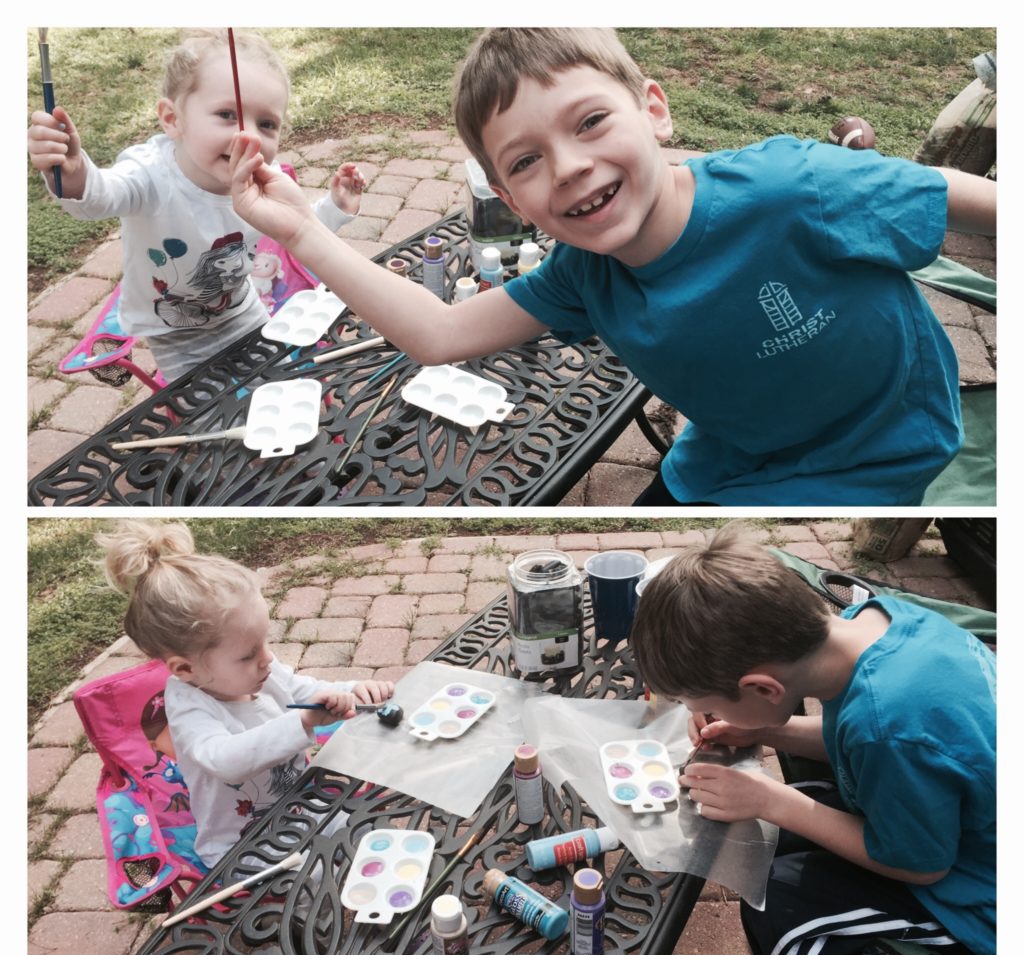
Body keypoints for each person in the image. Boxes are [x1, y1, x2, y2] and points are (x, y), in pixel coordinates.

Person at [227, 27, 996, 507]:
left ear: (653, 109)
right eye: (526, 161)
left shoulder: (795, 187)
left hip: (875, 449)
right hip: (739, 452)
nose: (567, 166)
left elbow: (966, 199)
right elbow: (436, 333)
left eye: (591, 120)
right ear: (508, 199)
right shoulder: (582, 276)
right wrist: (300, 230)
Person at [630, 524, 996, 955]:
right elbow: (856, 740)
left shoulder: (887, 728)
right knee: (765, 845)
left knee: (778, 907)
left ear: (763, 688)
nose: (709, 718)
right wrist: (764, 729)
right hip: (949, 821)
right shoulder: (873, 623)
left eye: (713, 706)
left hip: (978, 893)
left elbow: (921, 866)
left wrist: (772, 800)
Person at [28, 28, 366, 383]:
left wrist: (335, 207)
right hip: (173, 331)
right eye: (226, 114)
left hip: (242, 310)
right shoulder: (148, 173)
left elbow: (297, 231)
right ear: (173, 120)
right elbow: (97, 199)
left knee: (277, 382)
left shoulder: (262, 177)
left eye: (266, 124)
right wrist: (73, 170)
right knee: (204, 413)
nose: (248, 136)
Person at [98, 520, 395, 869]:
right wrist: (302, 721)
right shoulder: (190, 711)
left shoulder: (258, 672)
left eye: (263, 643)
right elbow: (226, 761)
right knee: (311, 876)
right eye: (247, 654)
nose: (266, 658)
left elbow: (303, 690)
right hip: (243, 843)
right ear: (185, 669)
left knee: (367, 827)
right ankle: (316, 921)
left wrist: (352, 692)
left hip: (302, 805)